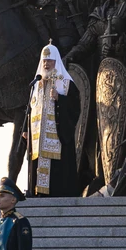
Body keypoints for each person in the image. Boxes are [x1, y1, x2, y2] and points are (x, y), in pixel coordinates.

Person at [26, 43, 81, 197]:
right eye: (44, 60)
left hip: (58, 137)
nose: (46, 63)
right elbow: (29, 111)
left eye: (50, 60)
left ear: (56, 61)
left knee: (58, 174)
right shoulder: (35, 85)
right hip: (38, 140)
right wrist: (26, 131)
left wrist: (60, 100)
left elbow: (75, 107)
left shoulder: (65, 84)